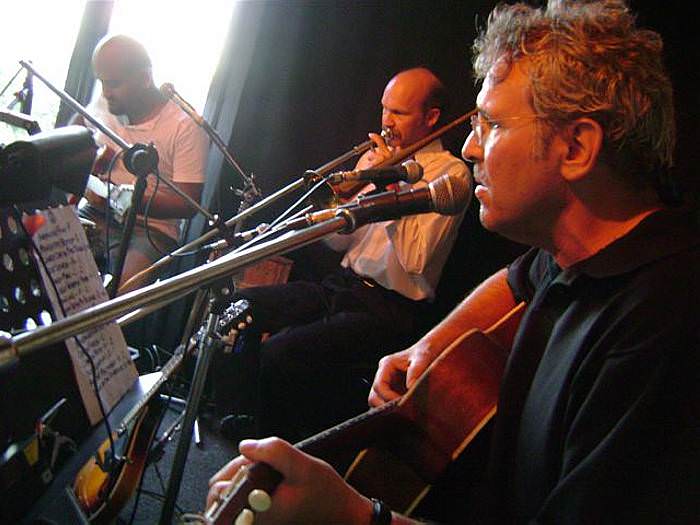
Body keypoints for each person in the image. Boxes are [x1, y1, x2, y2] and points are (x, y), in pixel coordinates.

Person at [207, 1, 699, 523]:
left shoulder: (661, 328)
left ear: (576, 147)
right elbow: (514, 282)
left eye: (491, 123)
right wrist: (430, 345)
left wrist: (352, 516)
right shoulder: (573, 257)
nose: (470, 148)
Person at [214, 67, 470, 443]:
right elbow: (337, 243)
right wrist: (348, 195)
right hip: (343, 285)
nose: (386, 121)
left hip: (388, 308)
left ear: (431, 117)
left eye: (399, 112)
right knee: (243, 305)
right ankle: (248, 415)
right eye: (385, 109)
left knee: (282, 352)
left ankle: (276, 453)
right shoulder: (376, 159)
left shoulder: (450, 174)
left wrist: (390, 182)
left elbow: (416, 261)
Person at [75, 34, 208, 289]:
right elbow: (76, 129)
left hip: (150, 230)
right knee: (47, 263)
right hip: (95, 213)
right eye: (101, 82)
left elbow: (189, 203)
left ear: (145, 78)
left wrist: (126, 200)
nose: (105, 93)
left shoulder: (185, 126)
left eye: (114, 84)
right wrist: (89, 162)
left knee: (122, 294)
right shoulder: (106, 103)